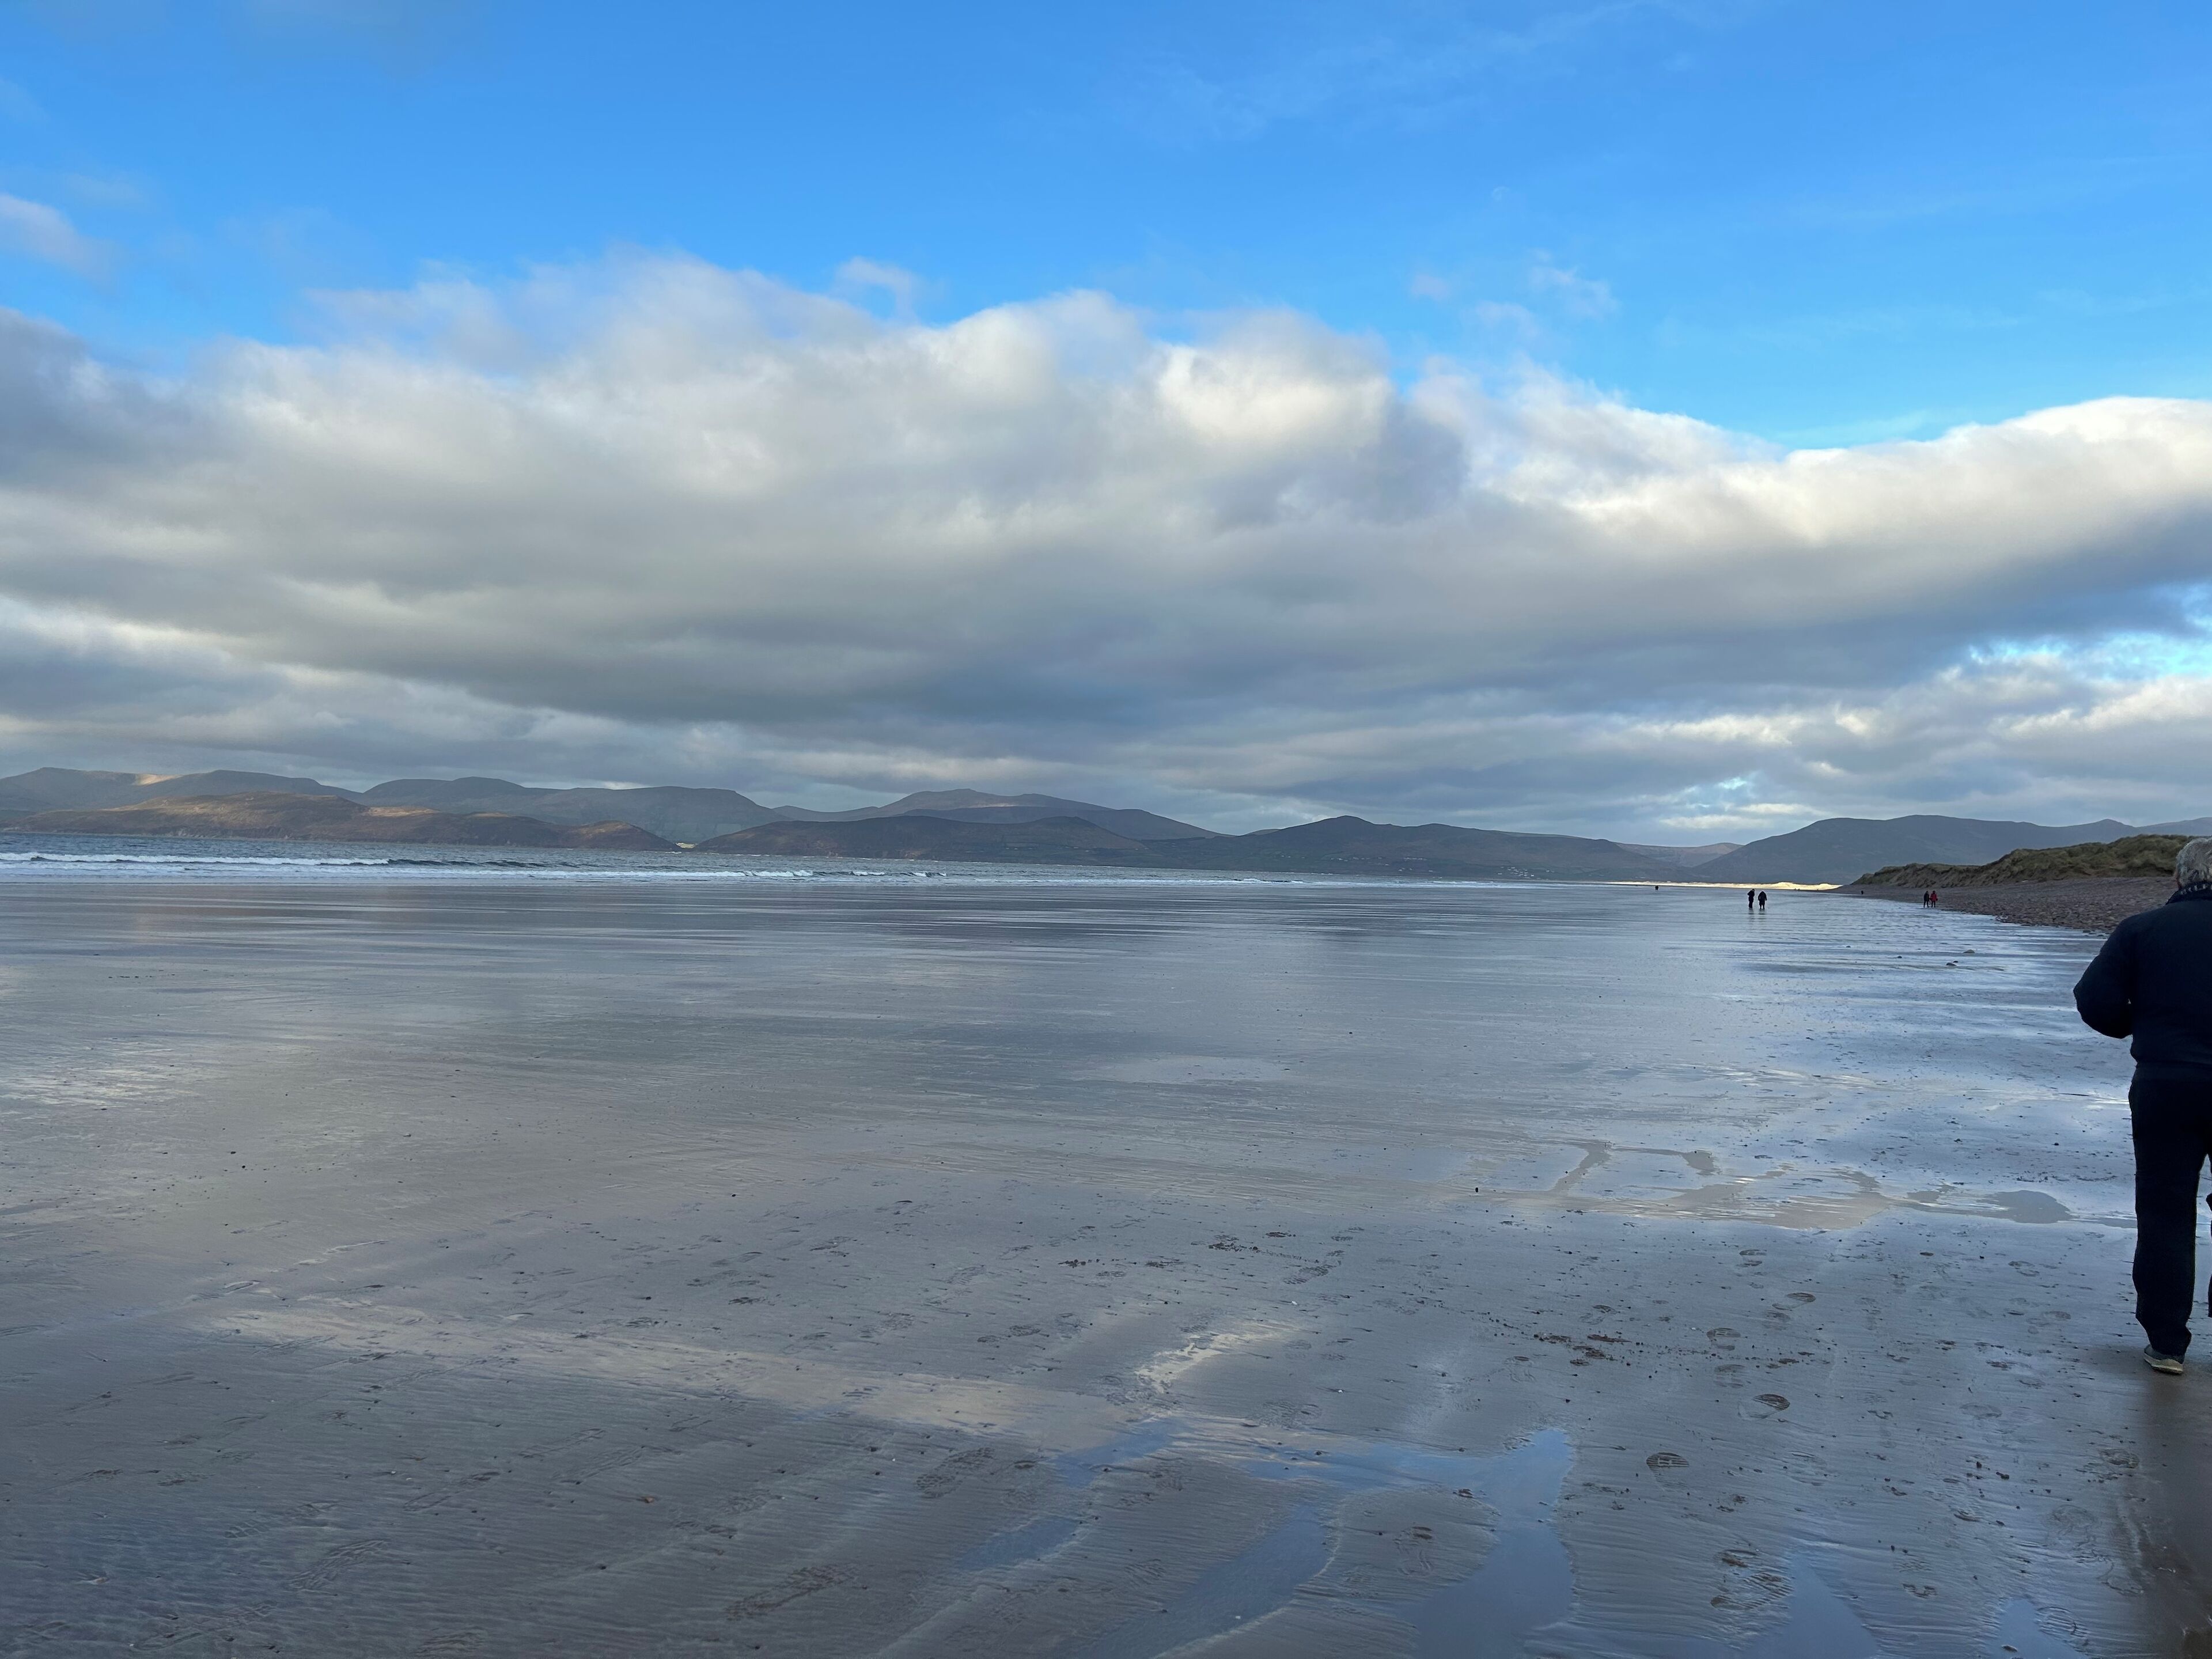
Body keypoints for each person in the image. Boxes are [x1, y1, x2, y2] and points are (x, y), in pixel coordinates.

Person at [2074, 836, 2212, 1374]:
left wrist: (2137, 1026)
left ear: (2178, 879)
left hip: (2166, 1081)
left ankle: (2168, 1344)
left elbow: (2094, 998)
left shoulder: (2143, 929)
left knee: (2165, 1212)